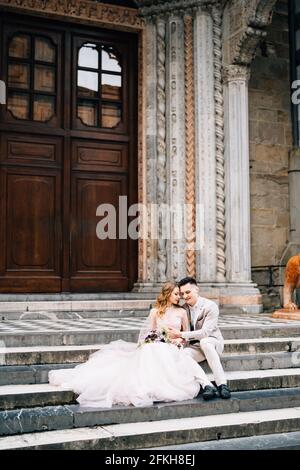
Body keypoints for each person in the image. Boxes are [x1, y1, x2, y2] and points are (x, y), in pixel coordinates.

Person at [48, 281, 214, 408]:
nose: (180, 297)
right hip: (156, 343)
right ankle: (149, 385)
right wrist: (153, 339)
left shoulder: (182, 312)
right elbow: (149, 332)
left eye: (181, 294)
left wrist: (178, 340)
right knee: (151, 348)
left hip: (173, 346)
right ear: (168, 294)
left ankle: (161, 384)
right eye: (176, 294)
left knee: (162, 351)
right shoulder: (155, 312)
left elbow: (185, 335)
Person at [168, 277, 231, 400]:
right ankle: (207, 385)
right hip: (195, 346)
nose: (185, 296)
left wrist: (180, 335)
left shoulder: (210, 306)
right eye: (182, 294)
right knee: (183, 354)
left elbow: (205, 332)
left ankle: (222, 384)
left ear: (196, 289)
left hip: (212, 342)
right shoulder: (184, 309)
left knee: (205, 342)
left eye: (188, 292)